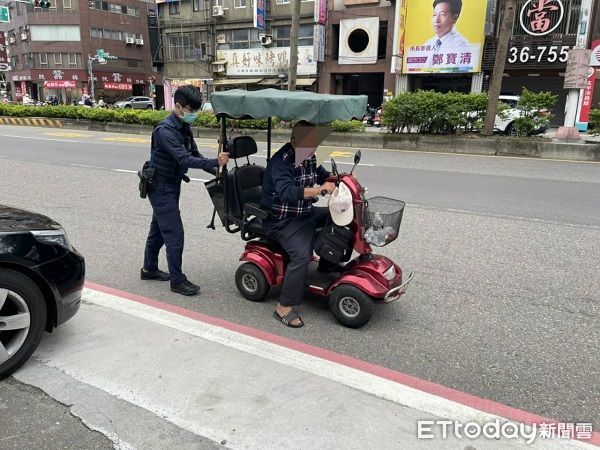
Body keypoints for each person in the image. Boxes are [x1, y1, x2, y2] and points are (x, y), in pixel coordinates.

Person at [142, 85, 229, 296]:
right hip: (160, 186)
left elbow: (195, 154)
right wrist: (213, 161)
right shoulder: (165, 131)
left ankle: (149, 269)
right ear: (178, 106)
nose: (194, 114)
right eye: (191, 110)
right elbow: (184, 158)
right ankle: (177, 280)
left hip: (172, 184)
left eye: (197, 110)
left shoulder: (183, 127)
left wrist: (216, 170)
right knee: (174, 233)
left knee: (159, 229)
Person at [260, 120, 336, 328]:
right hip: (282, 221)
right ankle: (283, 307)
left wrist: (343, 179)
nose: (314, 150)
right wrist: (320, 190)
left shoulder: (308, 156)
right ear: (294, 141)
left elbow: (324, 176)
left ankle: (327, 263)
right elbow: (287, 193)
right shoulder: (280, 161)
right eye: (310, 145)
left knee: (336, 217)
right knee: (301, 256)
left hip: (304, 213)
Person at [423, 0, 470, 66]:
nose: (436, 20)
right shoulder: (428, 43)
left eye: (442, 14)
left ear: (455, 18)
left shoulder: (460, 46)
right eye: (434, 14)